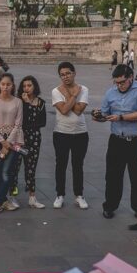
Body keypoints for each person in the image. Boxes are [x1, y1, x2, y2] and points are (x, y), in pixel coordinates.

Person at [93, 64, 137, 219]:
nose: (119, 86)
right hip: (116, 140)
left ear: (131, 77)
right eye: (117, 82)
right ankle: (110, 206)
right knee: (113, 175)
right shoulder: (110, 92)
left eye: (122, 82)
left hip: (136, 141)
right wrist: (98, 116)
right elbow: (106, 113)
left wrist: (121, 117)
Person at [51, 62, 89, 210]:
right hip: (61, 132)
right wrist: (73, 95)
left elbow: (79, 110)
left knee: (77, 165)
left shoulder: (84, 89)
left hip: (80, 133)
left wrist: (68, 97)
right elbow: (65, 110)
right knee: (61, 164)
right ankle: (60, 194)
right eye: (62, 74)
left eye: (68, 73)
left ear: (74, 73)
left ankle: (79, 195)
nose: (65, 77)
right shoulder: (56, 91)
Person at [0, 73, 24, 215]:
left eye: (8, 84)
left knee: (7, 172)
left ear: (12, 85)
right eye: (3, 84)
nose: (5, 87)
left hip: (13, 140)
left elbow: (18, 124)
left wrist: (8, 143)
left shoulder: (18, 102)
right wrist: (2, 141)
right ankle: (4, 200)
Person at [13, 76, 46, 209]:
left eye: (29, 85)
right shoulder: (18, 102)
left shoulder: (41, 102)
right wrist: (26, 104)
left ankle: (32, 197)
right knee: (15, 166)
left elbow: (41, 122)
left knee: (31, 168)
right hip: (19, 139)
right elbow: (22, 121)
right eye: (24, 86)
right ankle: (12, 196)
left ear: (34, 87)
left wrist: (30, 104)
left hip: (34, 139)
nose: (27, 88)